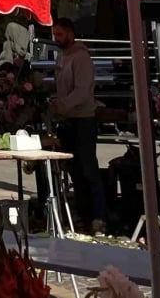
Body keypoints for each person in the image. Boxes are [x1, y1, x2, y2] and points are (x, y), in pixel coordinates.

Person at [52, 18, 106, 234]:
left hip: (83, 118)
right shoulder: (62, 56)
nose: (56, 39)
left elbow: (83, 91)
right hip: (68, 118)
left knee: (88, 168)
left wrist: (63, 105)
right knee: (74, 170)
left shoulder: (81, 57)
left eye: (60, 35)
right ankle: (84, 216)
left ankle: (99, 216)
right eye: (54, 35)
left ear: (70, 34)